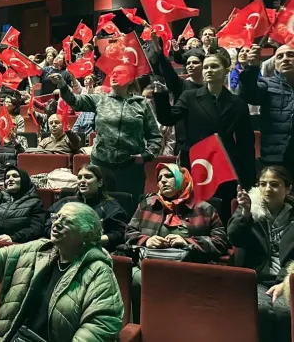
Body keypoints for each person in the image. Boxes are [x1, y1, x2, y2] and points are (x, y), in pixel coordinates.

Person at [0, 203, 124, 341]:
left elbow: (100, 325)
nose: (57, 223)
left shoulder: (98, 272)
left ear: (87, 233)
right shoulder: (38, 249)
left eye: (67, 221)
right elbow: (0, 260)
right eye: (57, 217)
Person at [126, 163, 229, 321]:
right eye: (160, 178)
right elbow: (129, 233)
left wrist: (188, 242)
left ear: (182, 179)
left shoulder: (204, 208)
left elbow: (221, 242)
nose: (163, 181)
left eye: (169, 176)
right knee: (132, 278)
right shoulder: (147, 204)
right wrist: (147, 240)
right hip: (150, 265)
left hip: (189, 267)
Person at [153, 52, 256, 197]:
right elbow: (167, 119)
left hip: (225, 163)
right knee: (195, 209)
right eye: (206, 67)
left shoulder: (238, 103)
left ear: (226, 70)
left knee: (223, 207)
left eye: (214, 66)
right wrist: (161, 96)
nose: (209, 70)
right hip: (196, 161)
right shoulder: (189, 97)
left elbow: (246, 143)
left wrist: (248, 180)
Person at [51, 68, 161, 198]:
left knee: (129, 209)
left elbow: (155, 138)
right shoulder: (100, 99)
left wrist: (145, 156)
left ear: (130, 79)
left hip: (130, 169)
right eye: (112, 73)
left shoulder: (142, 103)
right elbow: (75, 102)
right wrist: (62, 85)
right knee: (100, 207)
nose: (114, 75)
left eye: (120, 73)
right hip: (101, 167)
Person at [229, 166, 293, 342]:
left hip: (287, 280)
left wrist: (284, 284)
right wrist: (245, 213)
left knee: (284, 312)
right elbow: (234, 238)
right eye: (262, 184)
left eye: (274, 184)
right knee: (261, 311)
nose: (267, 189)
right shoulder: (251, 211)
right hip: (255, 279)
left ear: (288, 189)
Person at [239, 45, 294, 174]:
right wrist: (252, 68)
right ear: (275, 64)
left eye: (290, 55)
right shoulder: (266, 84)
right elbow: (249, 94)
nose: (285, 59)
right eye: (280, 57)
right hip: (276, 157)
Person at [48, 165, 127, 250]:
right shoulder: (66, 202)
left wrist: (88, 241)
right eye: (79, 177)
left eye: (87, 177)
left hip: (95, 249)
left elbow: (119, 235)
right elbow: (47, 223)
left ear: (100, 183)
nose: (82, 181)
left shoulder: (111, 207)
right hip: (62, 248)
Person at [0, 166, 46, 244]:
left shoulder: (35, 202)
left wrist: (13, 238)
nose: (10, 179)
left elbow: (36, 229)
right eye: (7, 177)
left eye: (15, 176)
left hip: (14, 244)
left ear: (24, 180)